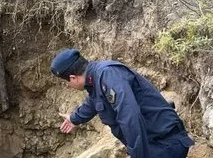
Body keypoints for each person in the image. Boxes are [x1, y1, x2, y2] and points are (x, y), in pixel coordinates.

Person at [51, 49, 194, 158]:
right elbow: (93, 102)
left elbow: (130, 116)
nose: (69, 85)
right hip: (154, 144)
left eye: (67, 82)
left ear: (73, 78)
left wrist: (138, 155)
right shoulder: (96, 80)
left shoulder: (107, 74)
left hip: (165, 144)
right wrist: (74, 118)